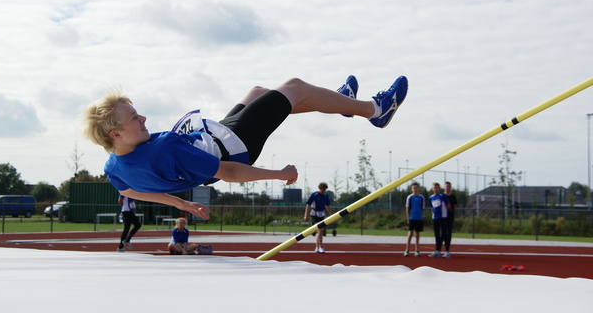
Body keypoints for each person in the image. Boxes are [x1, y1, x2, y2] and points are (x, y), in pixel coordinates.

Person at [82, 75, 408, 218]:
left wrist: (181, 205)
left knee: (258, 92)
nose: (143, 118)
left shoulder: (114, 167)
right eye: (133, 118)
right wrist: (279, 174)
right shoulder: (165, 149)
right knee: (294, 88)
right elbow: (230, 173)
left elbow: (130, 192)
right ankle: (376, 110)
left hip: (215, 138)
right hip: (236, 146)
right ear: (116, 135)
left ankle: (340, 103)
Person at [304, 182, 333, 253]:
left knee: (320, 231)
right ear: (320, 188)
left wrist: (331, 215)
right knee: (319, 230)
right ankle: (320, 246)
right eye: (323, 190)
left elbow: (328, 206)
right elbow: (308, 205)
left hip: (321, 214)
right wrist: (306, 215)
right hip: (314, 214)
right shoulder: (314, 195)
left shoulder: (325, 196)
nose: (324, 191)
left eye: (325, 190)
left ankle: (318, 247)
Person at [429, 182, 451, 258]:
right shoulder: (431, 197)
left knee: (444, 234)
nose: (436, 189)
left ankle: (447, 251)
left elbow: (448, 206)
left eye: (437, 188)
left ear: (439, 189)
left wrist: (444, 212)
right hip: (435, 218)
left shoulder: (443, 196)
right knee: (437, 235)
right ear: (432, 189)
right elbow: (432, 207)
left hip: (442, 217)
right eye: (434, 188)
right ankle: (437, 251)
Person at [404, 182, 425, 257]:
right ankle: (407, 250)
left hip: (419, 218)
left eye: (416, 188)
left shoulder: (421, 197)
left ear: (418, 189)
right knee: (410, 234)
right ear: (411, 189)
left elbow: (423, 208)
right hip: (412, 218)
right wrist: (408, 217)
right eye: (414, 188)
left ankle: (417, 250)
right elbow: (407, 207)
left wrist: (421, 216)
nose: (415, 189)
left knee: (417, 234)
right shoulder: (410, 197)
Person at [443, 181, 458, 257]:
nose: (447, 187)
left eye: (449, 186)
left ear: (450, 187)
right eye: (446, 186)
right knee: (441, 234)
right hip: (442, 218)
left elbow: (454, 207)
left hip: (449, 217)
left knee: (448, 234)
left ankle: (447, 250)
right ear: (444, 187)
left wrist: (452, 215)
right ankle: (438, 250)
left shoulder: (453, 197)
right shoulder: (441, 196)